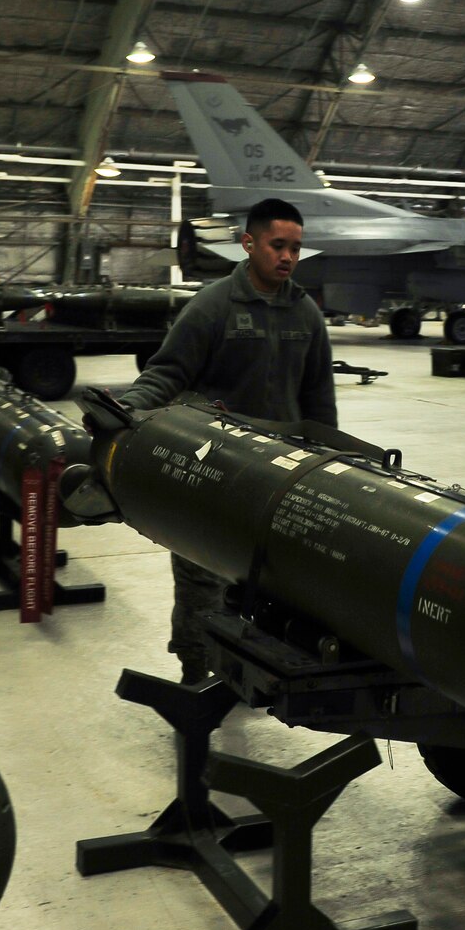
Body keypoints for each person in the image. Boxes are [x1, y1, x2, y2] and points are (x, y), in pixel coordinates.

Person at [116, 197, 337, 679]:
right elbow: (166, 373)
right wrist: (127, 410)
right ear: (248, 244)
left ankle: (243, 671)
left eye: (296, 249)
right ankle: (196, 671)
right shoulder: (213, 306)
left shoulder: (306, 316)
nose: (288, 257)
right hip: (214, 471)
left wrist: (336, 464)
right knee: (201, 576)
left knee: (264, 582)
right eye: (278, 245)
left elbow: (320, 403)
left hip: (281, 477)